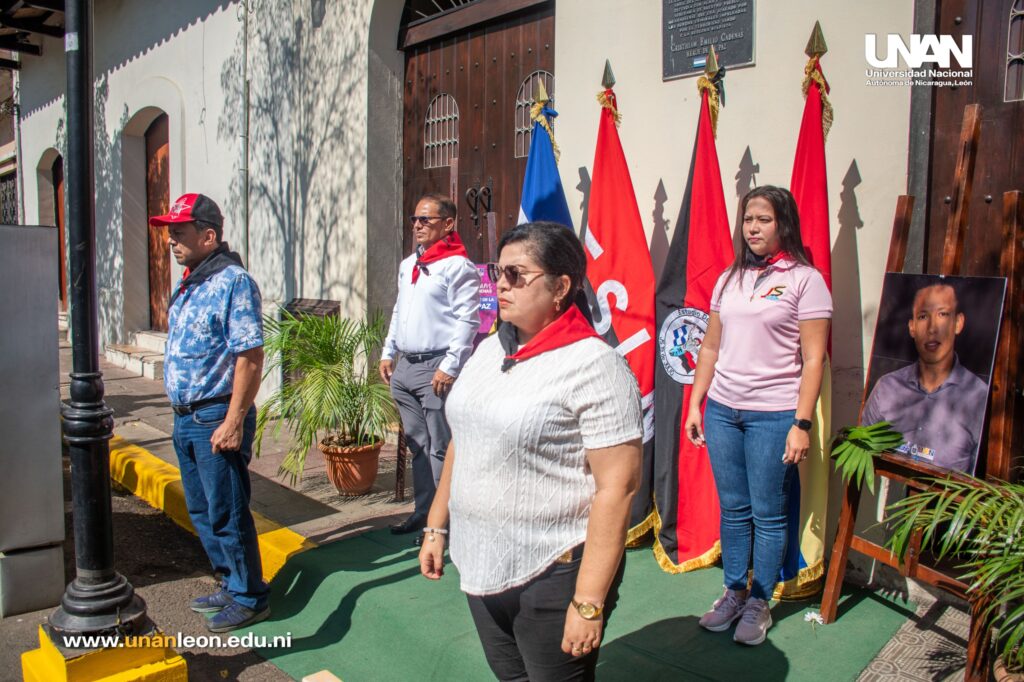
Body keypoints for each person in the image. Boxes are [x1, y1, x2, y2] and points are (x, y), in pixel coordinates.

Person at [418, 222, 643, 681]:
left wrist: (589, 601)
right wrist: (436, 527)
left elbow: (617, 488)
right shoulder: (489, 349)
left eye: (517, 275)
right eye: (498, 272)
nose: (501, 284)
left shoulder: (595, 366)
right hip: (481, 560)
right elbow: (464, 437)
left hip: (554, 570)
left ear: (561, 286)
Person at [683, 186, 831, 646]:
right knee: (734, 509)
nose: (753, 228)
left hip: (774, 416)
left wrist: (801, 424)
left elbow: (813, 360)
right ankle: (732, 592)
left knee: (768, 514)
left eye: (763, 219)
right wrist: (696, 402)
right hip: (724, 411)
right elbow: (710, 346)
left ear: (783, 223)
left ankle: (759, 603)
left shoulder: (807, 280)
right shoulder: (730, 279)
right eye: (748, 219)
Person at [152, 193, 270, 632]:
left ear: (208, 235)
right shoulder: (191, 281)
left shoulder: (232, 281)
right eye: (170, 233)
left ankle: (250, 594)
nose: (171, 241)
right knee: (202, 509)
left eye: (179, 233)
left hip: (214, 416)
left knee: (227, 508)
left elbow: (250, 357)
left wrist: (234, 419)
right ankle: (230, 580)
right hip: (186, 417)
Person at [379, 194, 481, 543]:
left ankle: (445, 522)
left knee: (441, 447)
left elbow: (469, 320)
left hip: (436, 367)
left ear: (448, 224)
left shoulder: (457, 266)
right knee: (418, 447)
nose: (418, 225)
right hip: (405, 366)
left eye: (426, 219)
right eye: (415, 218)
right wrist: (387, 351)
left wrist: (450, 366)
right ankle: (424, 513)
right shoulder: (410, 264)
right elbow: (399, 310)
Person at [861, 281, 988, 473]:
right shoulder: (887, 387)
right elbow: (859, 450)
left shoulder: (978, 396)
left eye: (943, 314)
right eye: (922, 316)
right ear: (912, 327)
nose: (932, 328)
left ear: (958, 323)